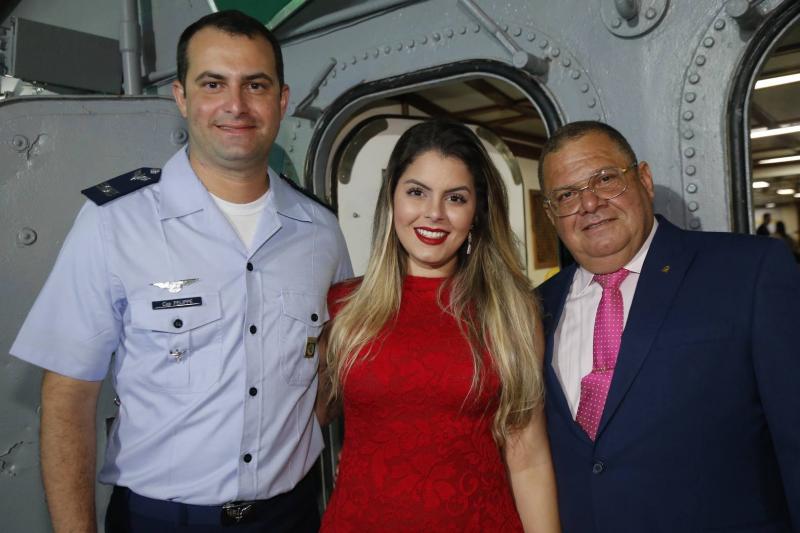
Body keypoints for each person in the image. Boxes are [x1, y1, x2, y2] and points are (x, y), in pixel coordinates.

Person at [10, 10, 351, 533]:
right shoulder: (115, 223)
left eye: (255, 85)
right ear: (181, 97)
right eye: (213, 84)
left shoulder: (320, 232)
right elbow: (67, 400)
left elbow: (335, 364)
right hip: (160, 519)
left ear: (281, 100)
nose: (236, 105)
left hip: (290, 515)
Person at [536, 121, 800, 532]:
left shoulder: (749, 271)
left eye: (605, 179)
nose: (588, 203)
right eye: (567, 194)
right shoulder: (535, 308)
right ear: (551, 213)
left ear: (644, 179)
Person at [316, 119, 560, 532]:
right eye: (417, 192)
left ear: (477, 212)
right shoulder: (343, 307)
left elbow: (529, 460)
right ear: (392, 198)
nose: (434, 213)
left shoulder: (511, 312)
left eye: (456, 198)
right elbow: (303, 422)